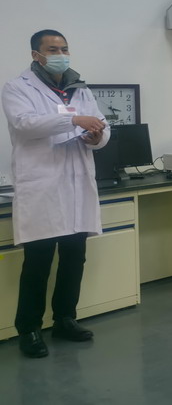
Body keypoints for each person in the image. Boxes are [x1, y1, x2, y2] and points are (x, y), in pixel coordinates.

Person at [1, 29, 110, 358]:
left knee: (74, 259)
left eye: (64, 48)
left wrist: (96, 137)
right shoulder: (17, 87)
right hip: (43, 187)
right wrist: (76, 120)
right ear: (36, 55)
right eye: (52, 49)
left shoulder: (80, 88)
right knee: (38, 263)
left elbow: (102, 125)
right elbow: (25, 124)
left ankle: (65, 319)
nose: (60, 54)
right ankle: (30, 329)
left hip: (76, 186)